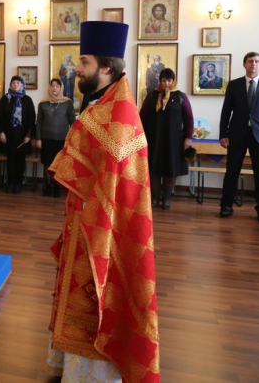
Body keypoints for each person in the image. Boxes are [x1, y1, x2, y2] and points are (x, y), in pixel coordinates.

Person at [46, 21, 159, 382]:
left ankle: (93, 375)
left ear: (106, 67)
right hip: (84, 219)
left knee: (99, 296)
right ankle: (71, 367)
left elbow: (112, 178)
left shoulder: (120, 111)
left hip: (103, 227)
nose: (75, 69)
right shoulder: (103, 103)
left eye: (83, 62)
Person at [219, 52, 259, 220]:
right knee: (232, 171)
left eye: (257, 61)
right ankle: (226, 206)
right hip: (237, 135)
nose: (253, 64)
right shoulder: (234, 85)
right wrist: (223, 134)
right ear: (244, 64)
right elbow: (226, 111)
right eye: (250, 61)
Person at [140, 68, 194, 209]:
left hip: (174, 140)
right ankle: (155, 198)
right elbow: (142, 116)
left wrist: (188, 137)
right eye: (164, 80)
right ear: (160, 81)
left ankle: (167, 199)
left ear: (173, 81)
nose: (166, 83)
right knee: (154, 169)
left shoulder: (181, 96)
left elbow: (189, 118)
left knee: (171, 169)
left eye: (169, 80)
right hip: (153, 139)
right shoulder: (152, 95)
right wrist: (140, 136)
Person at [0, 76, 35, 194]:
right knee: (10, 160)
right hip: (8, 136)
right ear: (10, 85)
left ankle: (18, 183)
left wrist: (28, 135)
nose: (16, 84)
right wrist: (0, 132)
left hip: (23, 137)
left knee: (20, 160)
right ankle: (10, 183)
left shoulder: (27, 99)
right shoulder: (5, 99)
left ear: (22, 85)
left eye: (18, 82)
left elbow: (32, 119)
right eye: (13, 83)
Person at [34, 78, 75, 197]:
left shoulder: (67, 102)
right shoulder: (42, 103)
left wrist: (72, 139)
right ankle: (47, 187)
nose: (54, 88)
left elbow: (73, 122)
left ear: (61, 88)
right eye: (52, 86)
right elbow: (39, 123)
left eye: (57, 86)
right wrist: (38, 138)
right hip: (46, 139)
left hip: (61, 140)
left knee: (58, 164)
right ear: (49, 87)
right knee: (47, 164)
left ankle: (56, 187)